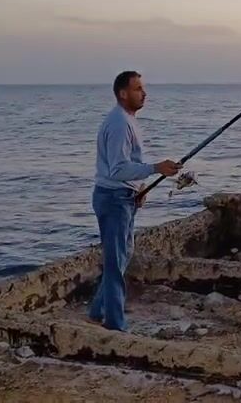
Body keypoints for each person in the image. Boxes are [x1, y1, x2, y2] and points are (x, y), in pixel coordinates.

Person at [88, 70, 180, 331]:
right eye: (138, 89)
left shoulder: (127, 120)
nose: (144, 93)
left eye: (143, 88)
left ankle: (98, 310)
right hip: (113, 199)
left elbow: (128, 165)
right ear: (123, 93)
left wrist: (139, 187)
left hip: (123, 196)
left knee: (123, 255)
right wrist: (155, 168)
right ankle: (115, 325)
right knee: (115, 263)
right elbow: (117, 169)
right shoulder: (119, 123)